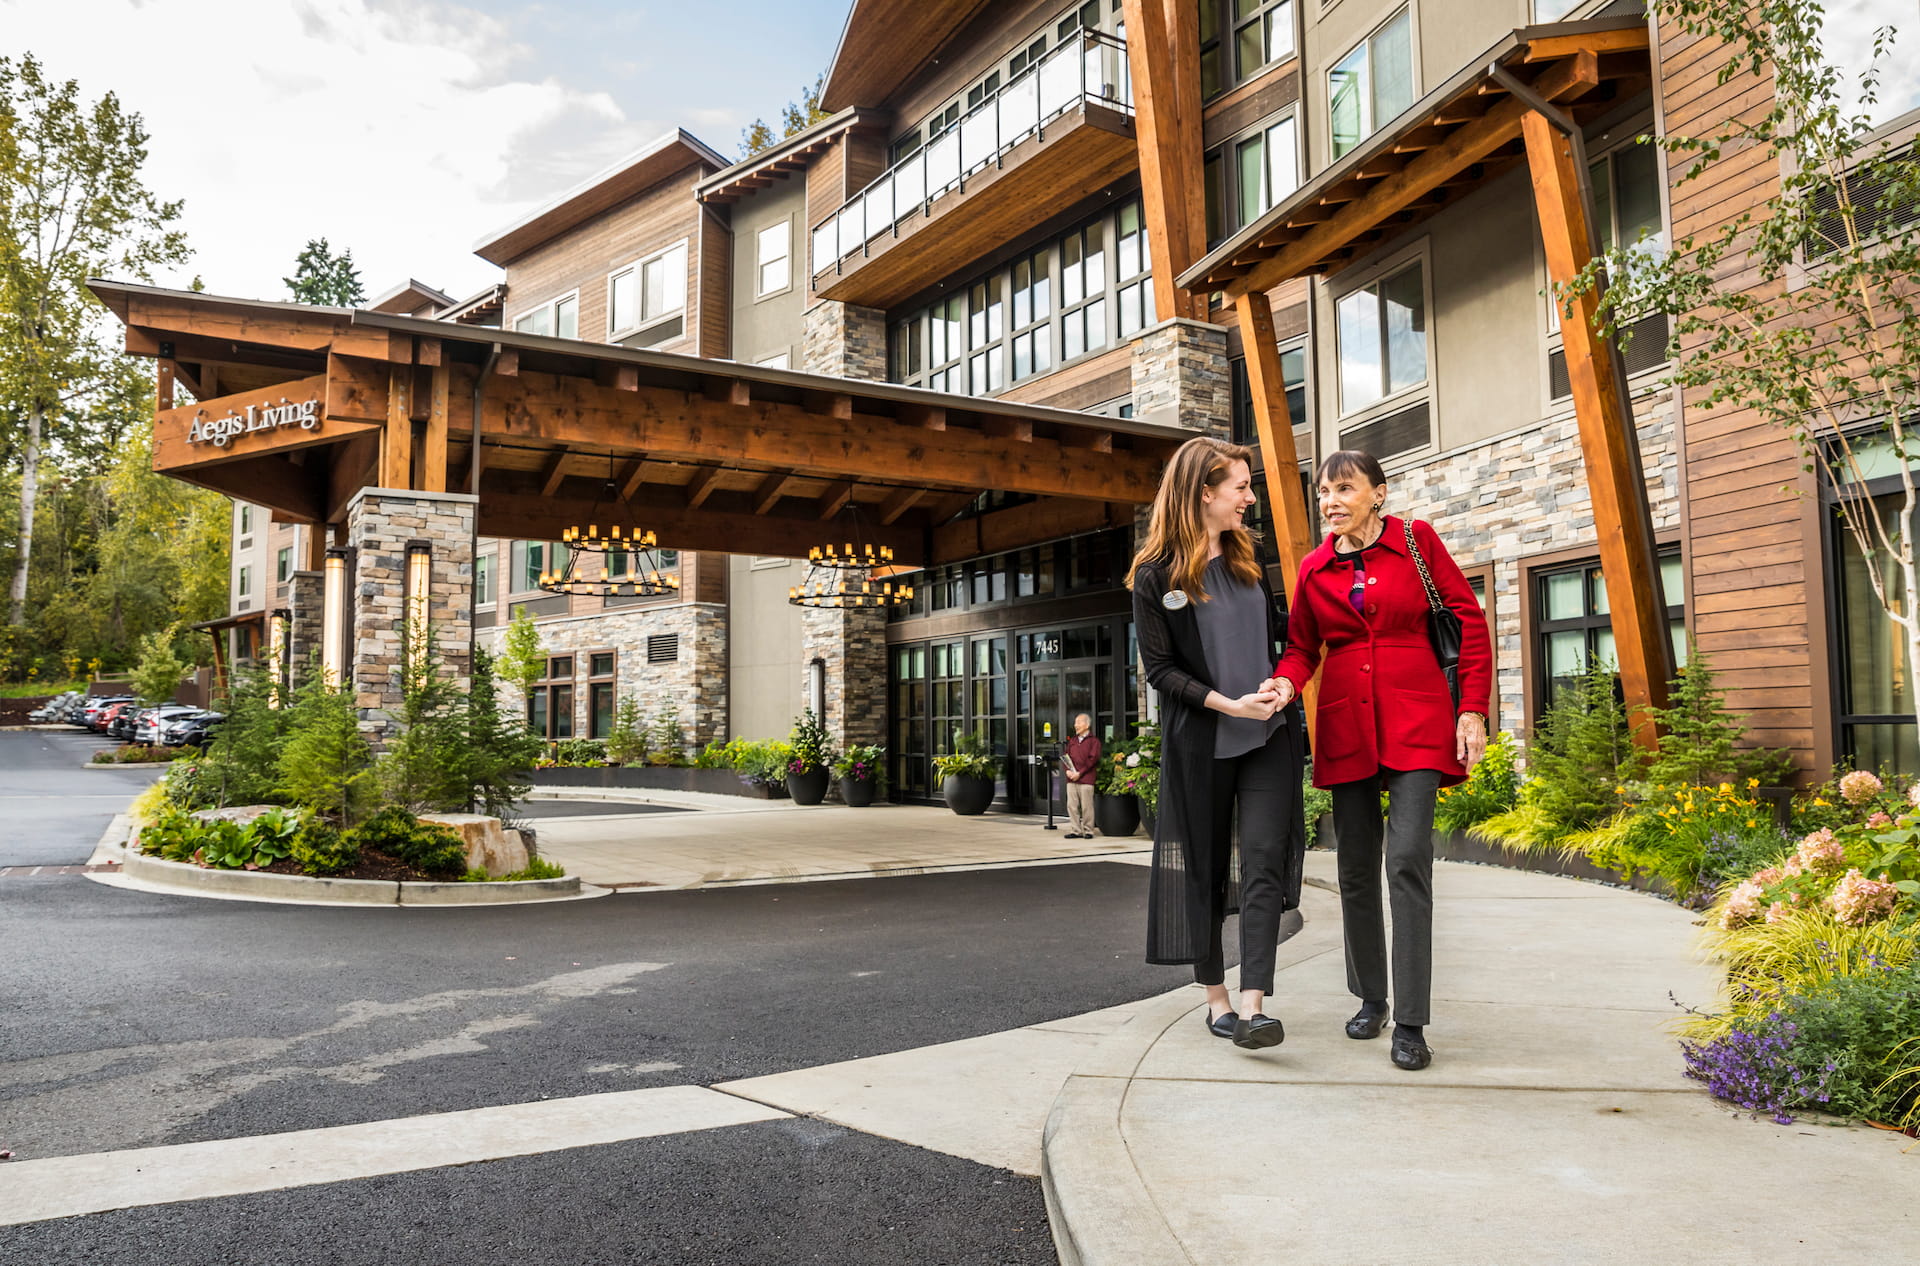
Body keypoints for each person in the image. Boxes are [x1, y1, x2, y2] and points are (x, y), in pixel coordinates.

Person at [1265, 450, 1492, 1071]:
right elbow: (1302, 646)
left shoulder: (1416, 541)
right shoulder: (1313, 568)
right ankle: (1372, 996)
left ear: (1378, 493)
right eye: (1323, 492)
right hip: (1346, 722)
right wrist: (1285, 685)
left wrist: (1471, 708)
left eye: (1343, 489)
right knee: (1356, 870)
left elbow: (1469, 623)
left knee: (1409, 859)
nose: (1331, 502)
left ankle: (1411, 1022)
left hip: (1418, 720)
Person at [1130, 435, 1307, 1051]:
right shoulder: (1155, 578)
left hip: (1268, 738)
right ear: (1204, 493)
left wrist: (1282, 683)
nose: (1250, 498)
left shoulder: (1248, 560)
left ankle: (1255, 1005)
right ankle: (1217, 999)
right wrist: (1227, 703)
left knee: (1262, 864)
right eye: (1241, 487)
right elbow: (1161, 670)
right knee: (1204, 872)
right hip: (1202, 744)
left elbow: (1283, 637)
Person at [1062, 713, 1100, 839]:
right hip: (1072, 778)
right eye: (1075, 722)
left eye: (1078, 722)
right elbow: (1066, 757)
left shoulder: (1094, 741)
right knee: (1071, 806)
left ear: (1087, 725)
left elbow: (1092, 759)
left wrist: (1080, 773)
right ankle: (1075, 830)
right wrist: (1068, 771)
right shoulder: (1072, 741)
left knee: (1086, 806)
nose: (1075, 725)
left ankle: (1088, 831)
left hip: (1086, 779)